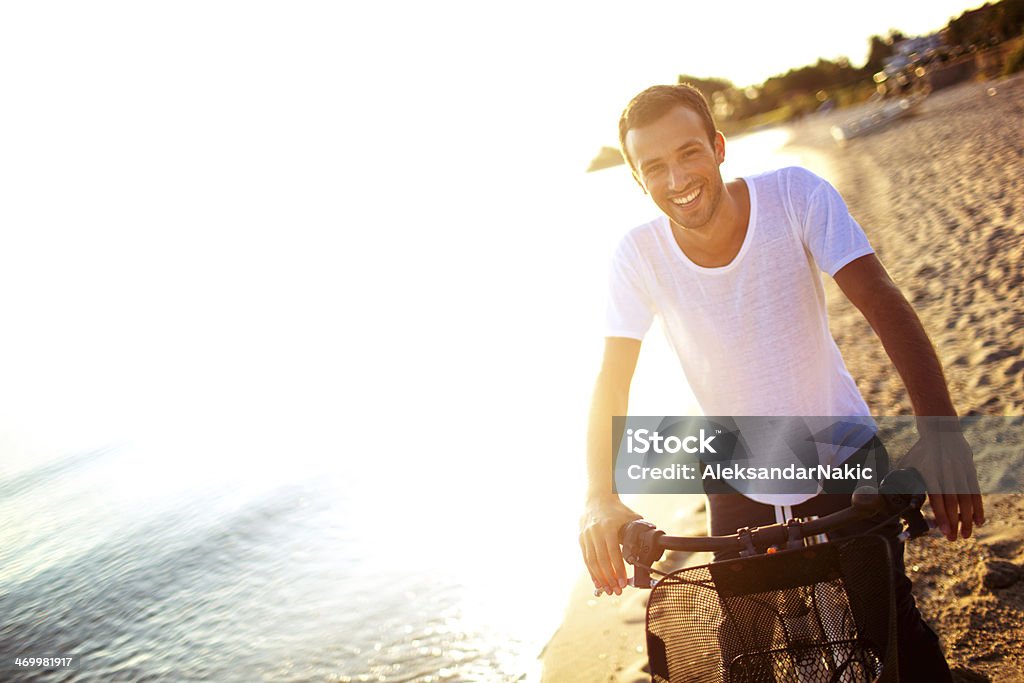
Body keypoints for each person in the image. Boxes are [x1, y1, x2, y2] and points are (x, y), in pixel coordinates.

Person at [578, 83, 984, 681]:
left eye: (689, 152)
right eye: (655, 167)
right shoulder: (638, 255)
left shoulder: (795, 195)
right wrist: (599, 496)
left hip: (838, 448)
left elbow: (882, 302)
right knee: (745, 651)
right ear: (639, 180)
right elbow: (613, 378)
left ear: (719, 148)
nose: (677, 178)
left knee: (892, 633)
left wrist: (941, 432)